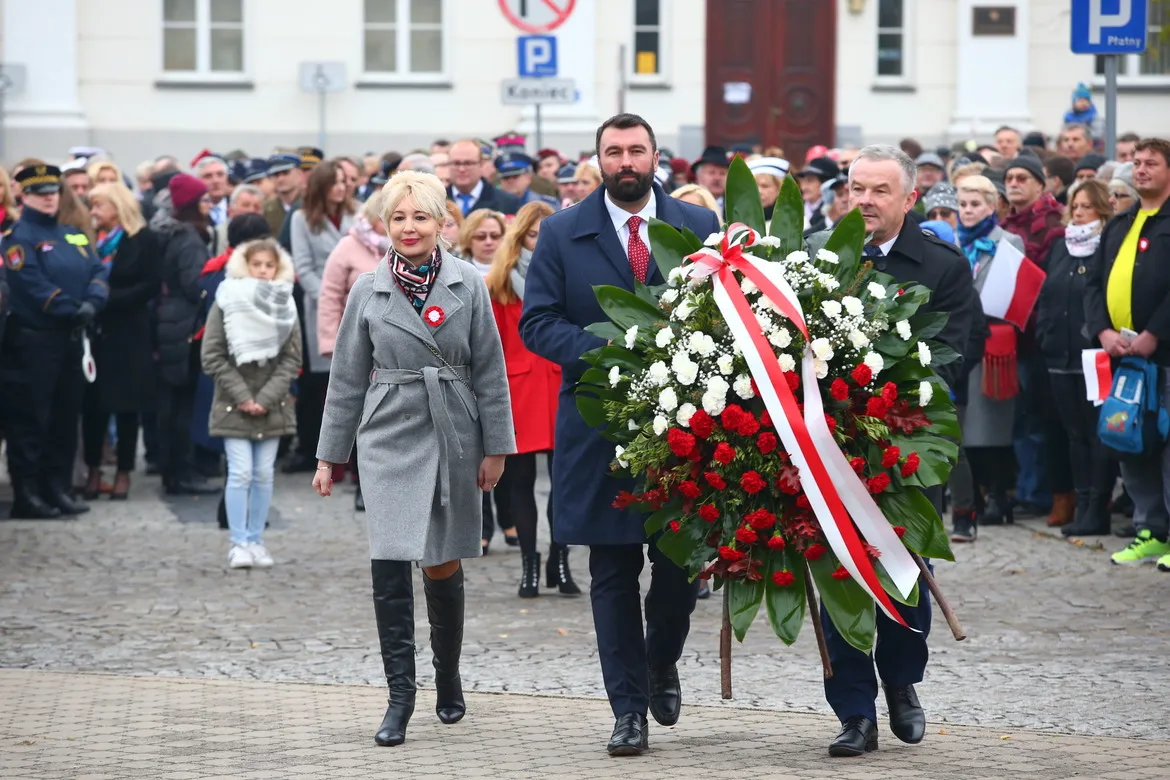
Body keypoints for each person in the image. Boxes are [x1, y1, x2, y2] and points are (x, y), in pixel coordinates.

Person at [519, 113, 719, 756]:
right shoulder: (562, 231)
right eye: (614, 152)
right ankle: (626, 709)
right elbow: (538, 322)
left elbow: (731, 311)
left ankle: (661, 659)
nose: (626, 161)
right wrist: (614, 351)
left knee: (677, 566)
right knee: (610, 570)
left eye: (637, 150)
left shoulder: (697, 228)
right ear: (598, 160)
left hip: (684, 426)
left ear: (658, 156)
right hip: (598, 423)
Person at [313, 170, 515, 747]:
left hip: (454, 430)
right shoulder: (366, 290)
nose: (409, 227)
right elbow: (347, 379)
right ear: (384, 224)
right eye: (398, 217)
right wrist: (330, 456)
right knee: (389, 557)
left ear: (442, 224)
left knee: (442, 561)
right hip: (388, 434)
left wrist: (497, 448)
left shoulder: (469, 284)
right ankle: (400, 694)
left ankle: (447, 676)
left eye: (420, 217)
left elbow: (491, 372)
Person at [806, 145, 976, 757]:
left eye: (880, 190)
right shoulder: (818, 257)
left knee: (906, 569)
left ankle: (901, 680)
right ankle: (854, 712)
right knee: (840, 573)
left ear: (909, 198)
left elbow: (957, 352)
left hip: (906, 450)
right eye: (857, 189)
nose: (866, 201)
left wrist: (889, 399)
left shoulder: (940, 265)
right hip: (827, 449)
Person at [0, 163, 109, 518]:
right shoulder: (18, 238)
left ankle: (56, 486)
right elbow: (29, 284)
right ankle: (27, 492)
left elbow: (97, 268)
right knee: (31, 419)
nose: (49, 199)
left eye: (53, 192)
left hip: (72, 339)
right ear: (24, 196)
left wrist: (92, 302)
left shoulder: (71, 234)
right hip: (34, 341)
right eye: (40, 193)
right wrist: (69, 307)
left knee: (65, 416)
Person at [486, 201, 580, 597]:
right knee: (519, 481)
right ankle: (529, 564)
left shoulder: (570, 275)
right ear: (520, 236)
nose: (540, 241)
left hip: (560, 384)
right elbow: (492, 345)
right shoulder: (500, 282)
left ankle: (560, 558)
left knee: (565, 481)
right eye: (533, 234)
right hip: (519, 388)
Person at [1085, 138, 1170, 570]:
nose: (1139, 170)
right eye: (1135, 163)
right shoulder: (1121, 223)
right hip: (1123, 358)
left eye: (1150, 163)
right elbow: (1094, 284)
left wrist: (1156, 332)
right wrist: (1101, 329)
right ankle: (1149, 530)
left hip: (1164, 357)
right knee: (1129, 440)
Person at [201, 238, 301, 569]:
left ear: (278, 268)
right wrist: (243, 396)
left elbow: (291, 358)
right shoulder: (226, 299)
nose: (262, 271)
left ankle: (256, 539)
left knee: (263, 475)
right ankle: (238, 541)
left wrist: (266, 397)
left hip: (272, 404)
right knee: (240, 472)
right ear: (245, 266)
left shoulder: (285, 303)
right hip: (234, 403)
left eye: (268, 265)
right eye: (256, 264)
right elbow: (212, 354)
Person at [1036, 179, 1116, 537]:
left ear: (1101, 208)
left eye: (1086, 206)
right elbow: (1048, 295)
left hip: (1093, 355)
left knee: (1096, 433)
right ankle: (1081, 501)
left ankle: (1097, 507)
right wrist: (1045, 334)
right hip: (1059, 354)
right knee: (1074, 435)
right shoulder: (1061, 247)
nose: (1079, 212)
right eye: (1075, 205)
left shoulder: (1107, 246)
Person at [954, 176, 1028, 529]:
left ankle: (1000, 494)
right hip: (961, 339)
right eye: (963, 205)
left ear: (991, 206)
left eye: (975, 205)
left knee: (993, 424)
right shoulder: (953, 241)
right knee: (966, 426)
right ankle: (977, 496)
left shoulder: (1007, 241)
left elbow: (1015, 289)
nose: (968, 212)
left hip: (994, 340)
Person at [81, 182, 161, 501]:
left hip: (130, 332)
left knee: (127, 405)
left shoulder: (142, 239)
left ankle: (124, 470)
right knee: (93, 405)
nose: (94, 212)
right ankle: (93, 469)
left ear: (118, 206)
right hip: (95, 332)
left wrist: (107, 299)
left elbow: (151, 284)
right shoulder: (88, 240)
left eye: (99, 205)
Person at [318, 188, 393, 511]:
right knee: (364, 419)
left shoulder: (408, 248)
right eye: (384, 219)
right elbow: (330, 295)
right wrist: (329, 343)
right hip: (357, 342)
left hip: (393, 348)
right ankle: (366, 482)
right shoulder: (348, 246)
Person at [286, 159, 356, 474]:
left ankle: (353, 456)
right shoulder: (302, 219)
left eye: (344, 181)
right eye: (335, 182)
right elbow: (303, 266)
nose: (341, 187)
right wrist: (329, 297)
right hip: (320, 308)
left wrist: (351, 298)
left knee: (355, 377)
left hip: (357, 302)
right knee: (321, 382)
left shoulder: (358, 213)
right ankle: (319, 452)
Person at [154, 173, 221, 496]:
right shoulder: (189, 239)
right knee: (180, 404)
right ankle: (180, 471)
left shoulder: (171, 233)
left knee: (173, 402)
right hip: (184, 326)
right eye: (205, 200)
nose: (210, 206)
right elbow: (196, 286)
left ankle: (174, 468)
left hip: (170, 323)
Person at [446, 139, 522, 217]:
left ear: (481, 164)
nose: (462, 169)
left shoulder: (507, 202)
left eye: (468, 163)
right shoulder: (438, 201)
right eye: (456, 163)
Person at [748, 157, 789, 223]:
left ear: (780, 189)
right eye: (754, 187)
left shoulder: (790, 221)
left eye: (765, 186)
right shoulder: (741, 221)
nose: (759, 191)